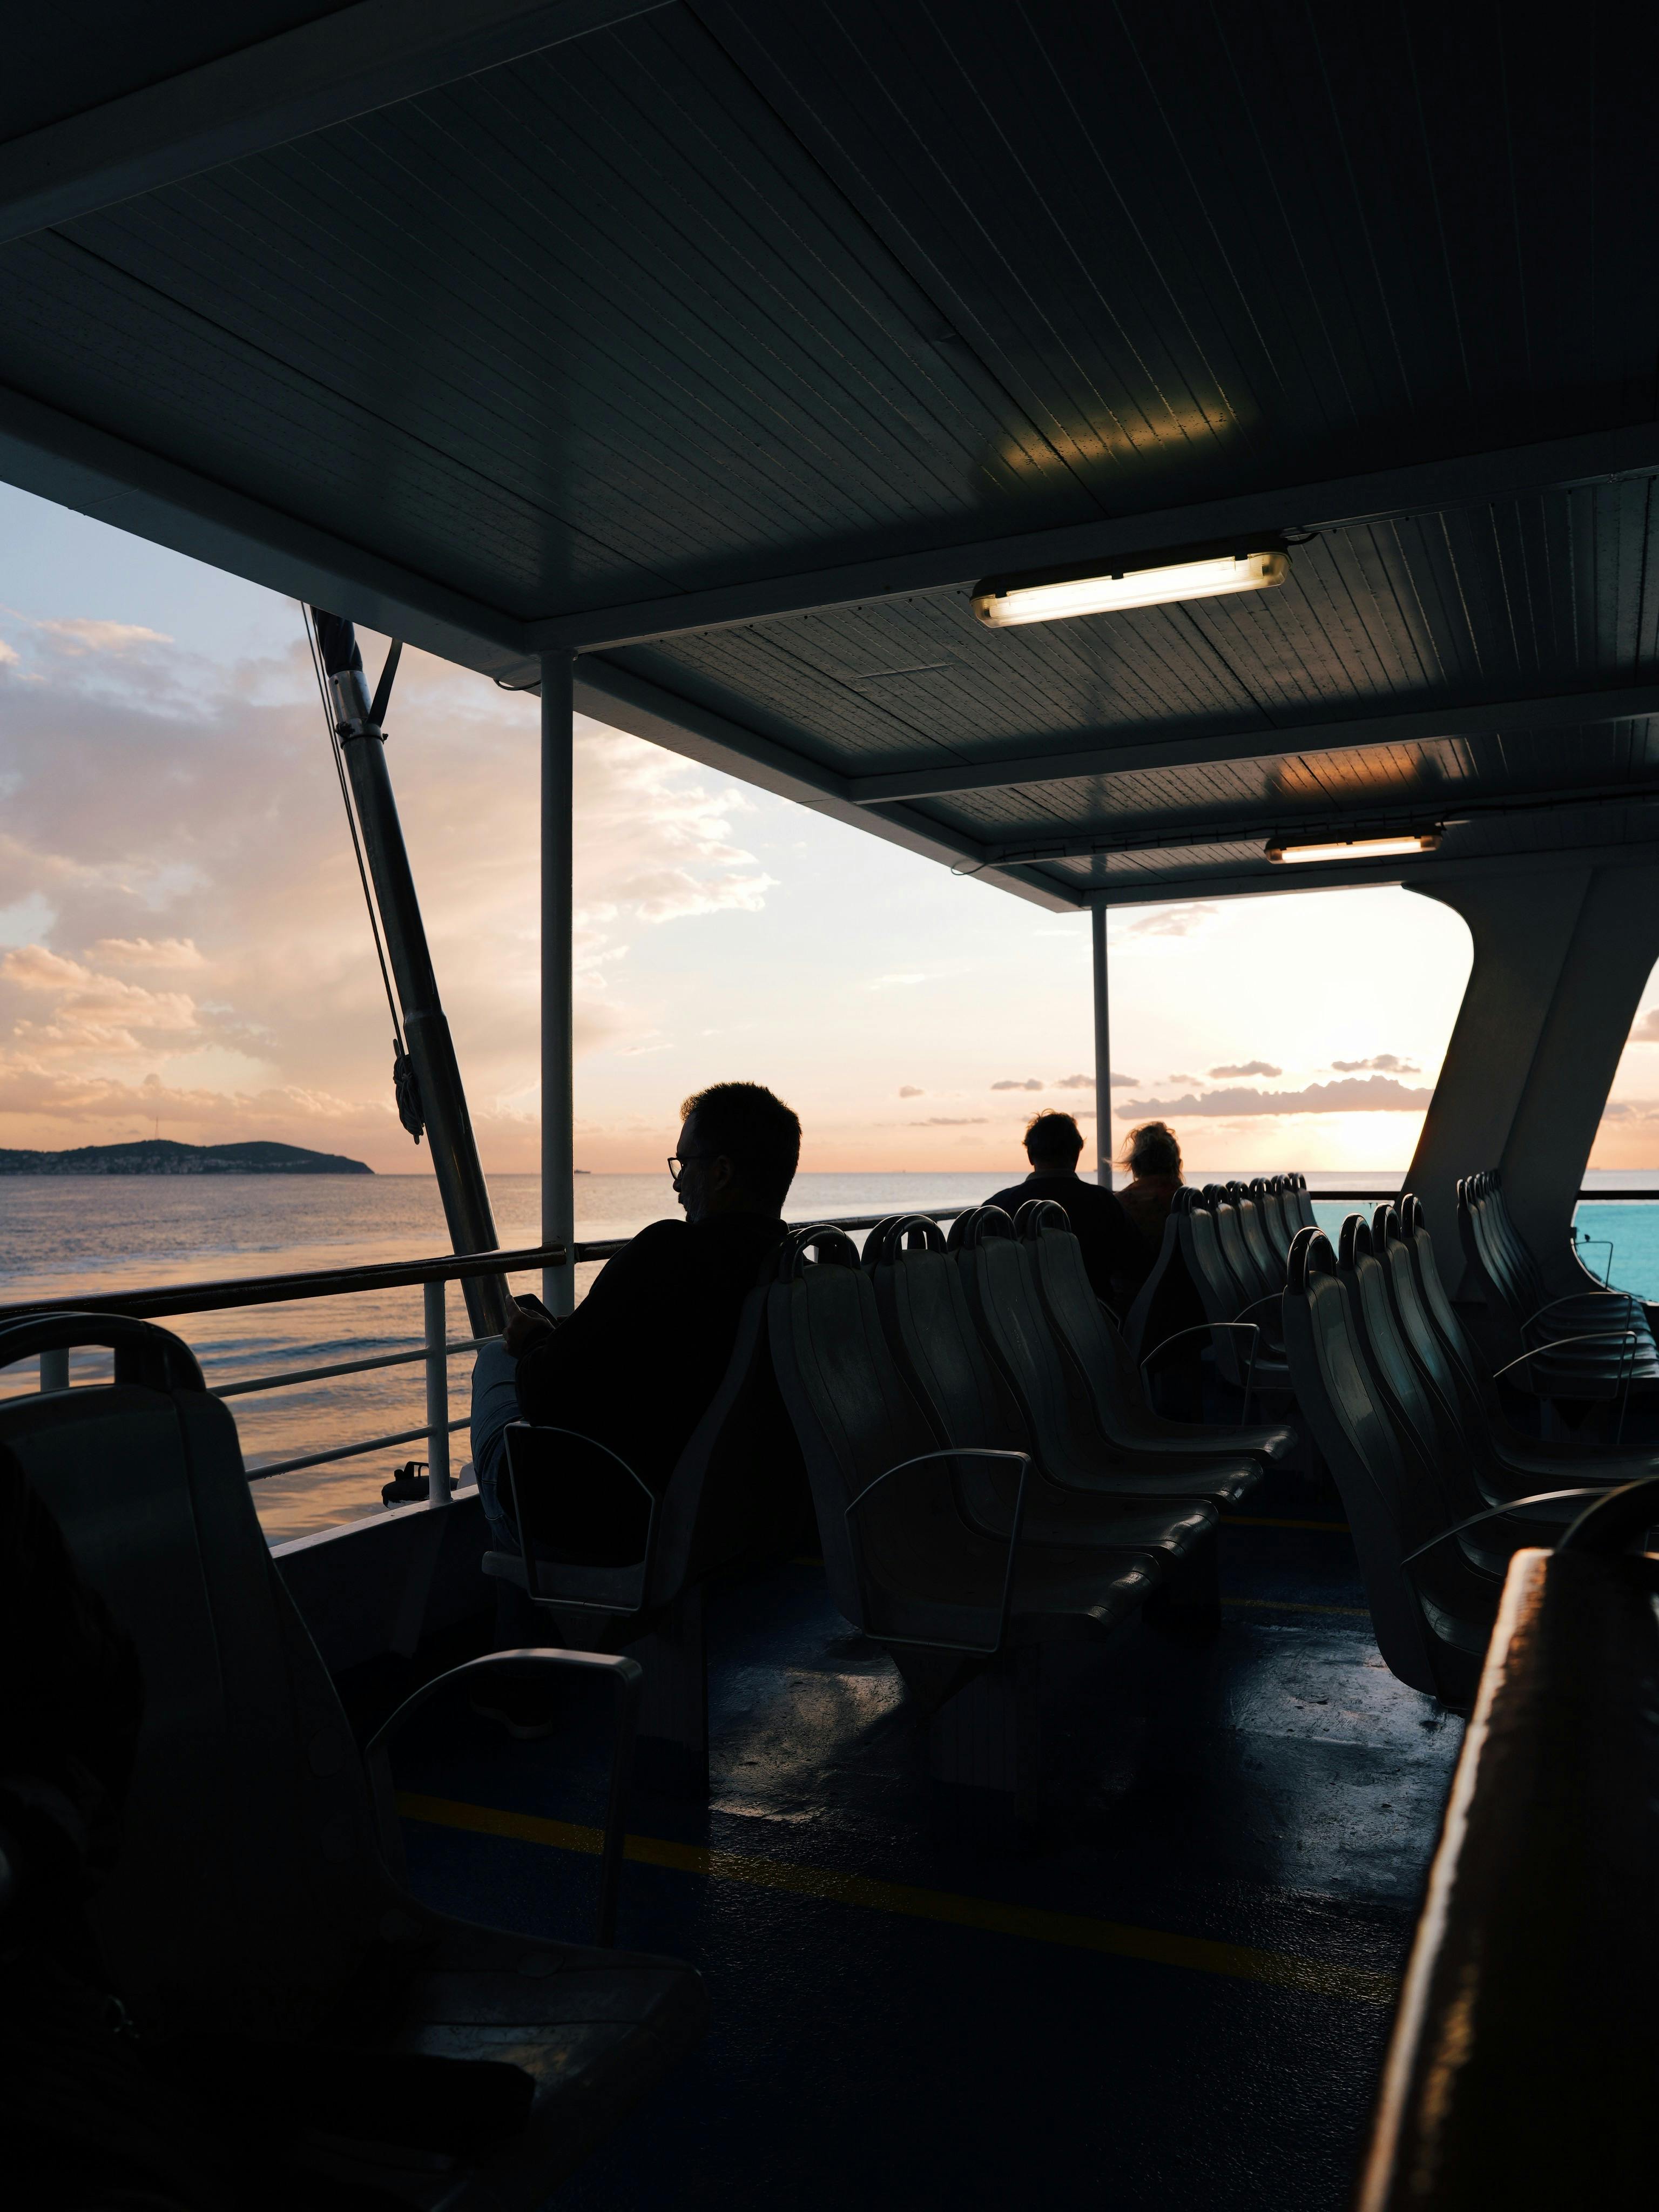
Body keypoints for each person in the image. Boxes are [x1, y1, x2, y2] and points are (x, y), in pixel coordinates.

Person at [470, 1080, 800, 1560]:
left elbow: (545, 1393)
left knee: (495, 1358)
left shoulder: (670, 1253)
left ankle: (528, 1607)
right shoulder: (789, 1270)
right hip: (732, 1513)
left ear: (723, 1172)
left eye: (684, 1165)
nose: (676, 1183)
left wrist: (535, 1342)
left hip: (618, 1519)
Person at [982, 1110, 1151, 1309]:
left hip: (1019, 1329)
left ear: (1030, 1155)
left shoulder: (998, 1208)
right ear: (1076, 1154)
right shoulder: (1104, 1203)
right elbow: (1140, 1265)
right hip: (1095, 1324)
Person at [1116, 1120, 1185, 1255]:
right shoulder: (1188, 1201)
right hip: (1183, 1275)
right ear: (1177, 1165)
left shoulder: (1120, 1204)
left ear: (1135, 1165)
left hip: (1136, 1274)